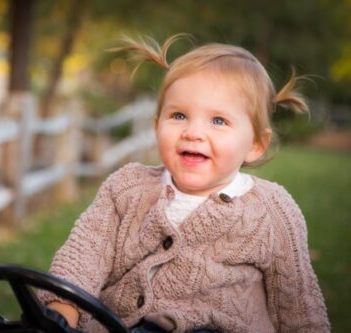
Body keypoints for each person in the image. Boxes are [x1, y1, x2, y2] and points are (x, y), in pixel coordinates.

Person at [38, 34, 330, 333]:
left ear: (256, 143)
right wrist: (61, 314)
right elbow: (83, 257)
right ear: (157, 126)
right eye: (178, 115)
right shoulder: (126, 187)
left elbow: (299, 308)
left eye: (218, 121)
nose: (193, 132)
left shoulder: (273, 211)